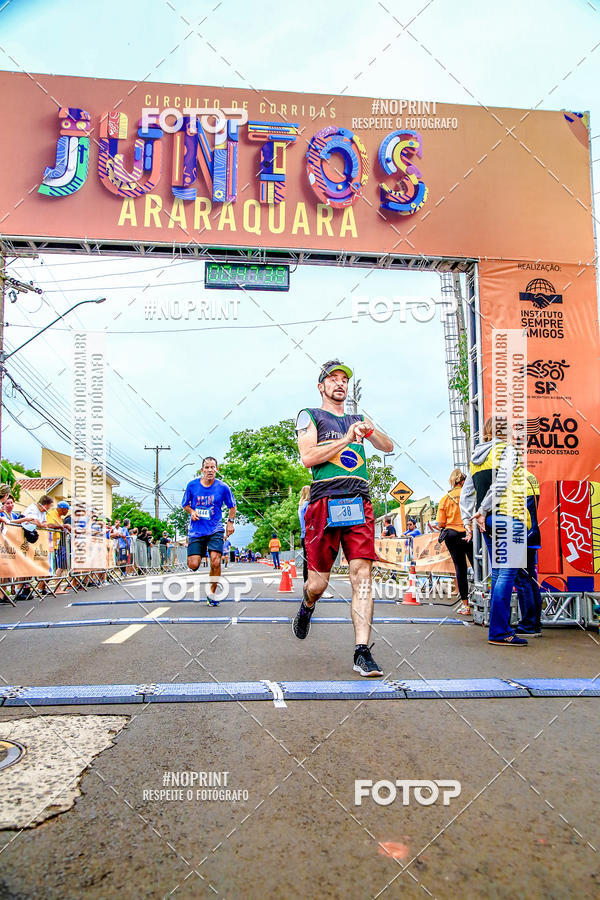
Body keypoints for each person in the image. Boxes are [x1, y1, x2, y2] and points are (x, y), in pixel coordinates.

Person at [293, 359, 394, 676]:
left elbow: (388, 447)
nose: (340, 383)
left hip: (359, 499)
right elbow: (308, 458)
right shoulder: (310, 416)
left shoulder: (358, 418)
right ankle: (308, 604)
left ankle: (362, 651)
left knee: (361, 574)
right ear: (321, 386)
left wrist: (369, 431)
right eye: (333, 379)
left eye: (344, 380)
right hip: (325, 499)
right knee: (318, 583)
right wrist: (348, 438)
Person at [461, 415, 532, 646]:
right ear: (507, 431)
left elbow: (466, 493)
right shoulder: (508, 451)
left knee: (499, 574)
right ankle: (500, 631)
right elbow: (501, 483)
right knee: (507, 575)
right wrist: (482, 509)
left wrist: (469, 518)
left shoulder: (476, 458)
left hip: (488, 522)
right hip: (510, 517)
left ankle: (498, 629)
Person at [181, 456, 236, 606]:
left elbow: (232, 506)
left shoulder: (223, 487)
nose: (210, 470)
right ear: (202, 470)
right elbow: (185, 504)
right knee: (193, 564)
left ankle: (212, 594)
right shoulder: (192, 486)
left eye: (213, 467)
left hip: (215, 529)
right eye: (207, 467)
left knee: (216, 561)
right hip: (197, 530)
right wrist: (191, 511)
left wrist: (230, 523)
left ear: (217, 470)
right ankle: (198, 555)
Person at [436, 470, 473, 615]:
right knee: (479, 567)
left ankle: (466, 606)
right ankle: (487, 599)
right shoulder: (470, 496)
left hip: (452, 534)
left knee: (460, 568)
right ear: (464, 481)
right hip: (468, 532)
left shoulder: (445, 498)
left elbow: (440, 523)